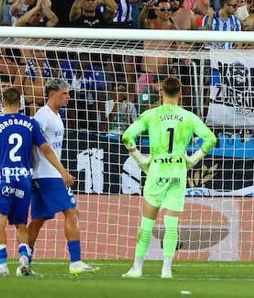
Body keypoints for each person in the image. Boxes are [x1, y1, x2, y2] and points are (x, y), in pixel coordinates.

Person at [0, 86, 76, 277]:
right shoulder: (30, 123)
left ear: (2, 104)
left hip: (3, 180)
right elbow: (46, 150)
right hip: (23, 181)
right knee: (21, 224)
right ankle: (24, 260)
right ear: (20, 104)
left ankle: (3, 267)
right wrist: (63, 171)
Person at [121, 76, 218, 280]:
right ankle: (166, 270)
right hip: (177, 171)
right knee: (171, 224)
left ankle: (137, 268)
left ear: (161, 92)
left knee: (147, 223)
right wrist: (192, 160)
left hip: (157, 170)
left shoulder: (151, 114)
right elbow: (211, 139)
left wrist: (141, 161)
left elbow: (127, 137)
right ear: (180, 93)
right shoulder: (188, 117)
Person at [26, 78, 97, 274]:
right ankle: (75, 262)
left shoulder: (56, 115)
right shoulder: (43, 115)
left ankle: (24, 262)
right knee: (71, 211)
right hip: (47, 174)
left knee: (38, 220)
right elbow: (33, 141)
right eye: (64, 93)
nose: (69, 97)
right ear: (52, 94)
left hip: (43, 175)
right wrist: (61, 171)